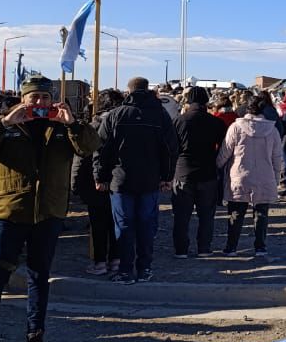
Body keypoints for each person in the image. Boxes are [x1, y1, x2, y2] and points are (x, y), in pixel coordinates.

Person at [0, 77, 99, 342]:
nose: (39, 103)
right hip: (10, 212)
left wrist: (74, 124)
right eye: (33, 98)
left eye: (44, 97)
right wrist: (2, 122)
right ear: (23, 99)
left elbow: (90, 147)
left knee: (39, 277)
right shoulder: (8, 125)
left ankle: (35, 339)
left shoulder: (62, 128)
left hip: (48, 213)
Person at [94, 77, 178, 283]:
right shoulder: (160, 115)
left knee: (123, 225)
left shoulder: (116, 115)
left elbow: (102, 149)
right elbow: (170, 148)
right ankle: (145, 268)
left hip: (120, 180)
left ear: (128, 91)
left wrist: (100, 176)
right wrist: (167, 176)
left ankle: (125, 270)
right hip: (150, 179)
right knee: (146, 226)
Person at [217, 94, 283, 254]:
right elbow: (277, 157)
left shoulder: (236, 127)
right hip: (264, 175)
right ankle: (260, 246)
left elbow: (225, 152)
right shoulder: (272, 129)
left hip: (239, 174)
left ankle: (231, 247)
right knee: (261, 213)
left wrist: (217, 166)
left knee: (236, 213)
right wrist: (276, 177)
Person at [72, 88, 122, 277]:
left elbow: (81, 158)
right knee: (116, 222)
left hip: (94, 184)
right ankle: (116, 260)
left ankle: (100, 262)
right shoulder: (123, 125)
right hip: (118, 181)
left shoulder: (91, 126)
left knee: (98, 225)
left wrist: (75, 185)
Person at [172, 86, 227, 257]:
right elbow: (224, 148)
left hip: (183, 172)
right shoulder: (216, 122)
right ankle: (204, 248)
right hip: (208, 172)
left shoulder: (179, 121)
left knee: (181, 216)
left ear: (188, 101)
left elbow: (171, 148)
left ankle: (181, 250)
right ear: (206, 101)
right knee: (206, 215)